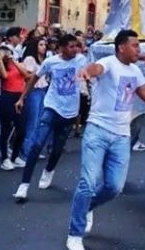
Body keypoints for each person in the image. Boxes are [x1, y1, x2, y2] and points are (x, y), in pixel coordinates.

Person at [66, 30, 145, 250]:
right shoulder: (107, 62)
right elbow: (95, 69)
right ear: (121, 48)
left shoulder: (136, 71)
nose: (139, 49)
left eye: (139, 45)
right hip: (97, 130)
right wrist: (86, 72)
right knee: (88, 182)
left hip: (121, 135)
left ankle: (88, 207)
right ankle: (75, 234)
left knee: (114, 187)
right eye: (135, 45)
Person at [13, 34, 89, 202]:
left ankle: (49, 170)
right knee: (37, 145)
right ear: (61, 48)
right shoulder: (51, 62)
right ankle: (24, 185)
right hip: (52, 107)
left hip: (69, 112)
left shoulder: (81, 60)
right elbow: (34, 78)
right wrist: (22, 98)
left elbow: (95, 68)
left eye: (76, 46)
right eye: (70, 46)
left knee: (57, 148)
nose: (74, 49)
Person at [0, 34, 30, 171]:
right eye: (4, 52)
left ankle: (15, 156)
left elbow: (27, 75)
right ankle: (5, 158)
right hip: (6, 97)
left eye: (8, 52)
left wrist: (13, 61)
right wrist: (0, 59)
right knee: (5, 129)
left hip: (19, 97)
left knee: (21, 130)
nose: (7, 54)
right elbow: (4, 76)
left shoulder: (18, 64)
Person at [16, 37, 49, 164]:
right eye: (41, 45)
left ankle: (33, 150)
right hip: (33, 91)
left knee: (39, 121)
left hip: (42, 89)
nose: (44, 47)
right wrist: (37, 72)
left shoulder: (43, 59)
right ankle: (24, 153)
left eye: (44, 45)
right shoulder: (30, 59)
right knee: (33, 121)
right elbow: (27, 76)